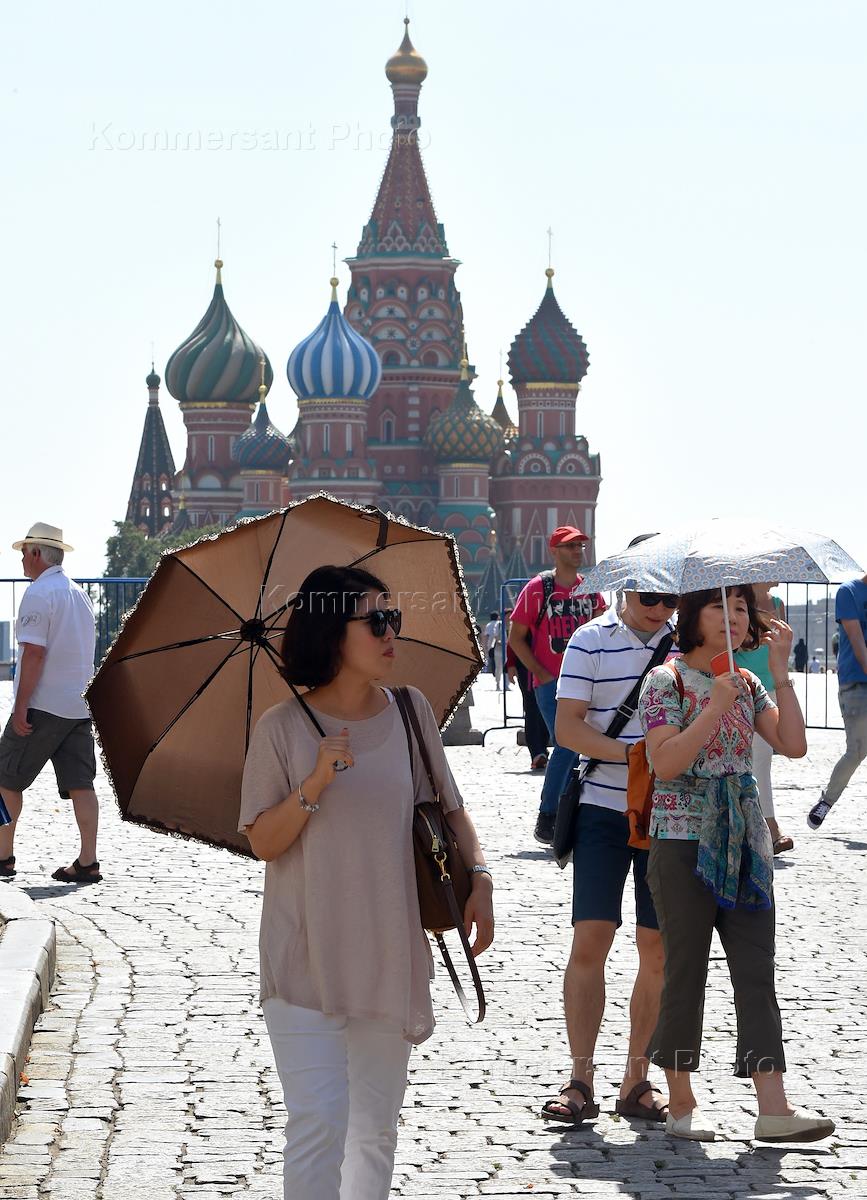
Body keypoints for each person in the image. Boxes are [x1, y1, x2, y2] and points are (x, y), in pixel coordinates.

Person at [238, 565, 494, 1200]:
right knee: (318, 1126)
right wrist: (315, 784)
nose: (390, 633)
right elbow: (263, 841)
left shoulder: (410, 713)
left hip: (389, 954)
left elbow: (451, 810)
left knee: (374, 1134)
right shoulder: (281, 729)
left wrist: (481, 880)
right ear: (332, 633)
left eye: (394, 618)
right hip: (305, 961)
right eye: (375, 621)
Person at [637, 586, 834, 1143]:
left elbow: (793, 744)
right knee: (686, 969)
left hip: (745, 841)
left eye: (743, 609)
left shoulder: (748, 684)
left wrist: (779, 670)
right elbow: (666, 763)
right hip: (681, 842)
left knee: (756, 969)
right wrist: (714, 709)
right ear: (693, 618)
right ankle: (680, 1101)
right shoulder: (666, 682)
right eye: (721, 607)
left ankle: (773, 1105)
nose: (734, 617)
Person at [539, 581, 677, 1128]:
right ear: (627, 590)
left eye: (673, 601)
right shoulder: (589, 640)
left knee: (658, 949)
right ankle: (580, 1078)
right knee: (590, 939)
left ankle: (635, 1079)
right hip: (601, 809)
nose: (663, 610)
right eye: (653, 598)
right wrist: (636, 754)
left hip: (668, 815)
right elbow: (568, 725)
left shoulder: (687, 645)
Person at [0, 523, 100, 883]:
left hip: (43, 703)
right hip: (79, 704)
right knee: (81, 783)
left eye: (24, 552)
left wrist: (20, 705)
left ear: (38, 553)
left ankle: (2, 857)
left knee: (5, 777)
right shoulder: (79, 594)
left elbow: (34, 655)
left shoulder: (39, 594)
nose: (21, 560)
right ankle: (88, 860)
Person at [508, 528, 606, 843]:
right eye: (570, 546)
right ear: (554, 551)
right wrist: (540, 673)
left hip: (586, 682)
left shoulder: (590, 590)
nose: (578, 551)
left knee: (580, 749)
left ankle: (568, 815)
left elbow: (604, 628)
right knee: (569, 744)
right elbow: (516, 638)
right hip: (551, 685)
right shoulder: (538, 589)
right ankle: (548, 814)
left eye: (580, 545)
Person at [735, 583, 794, 855]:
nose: (779, 574)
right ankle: (770, 827)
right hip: (744, 685)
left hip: (771, 685)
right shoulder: (737, 600)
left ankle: (758, 823)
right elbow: (733, 644)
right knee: (759, 758)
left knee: (763, 757)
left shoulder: (778, 601)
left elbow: (782, 647)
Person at [809, 574, 867, 829]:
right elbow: (857, 643)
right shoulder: (849, 592)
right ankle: (827, 801)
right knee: (857, 750)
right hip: (856, 682)